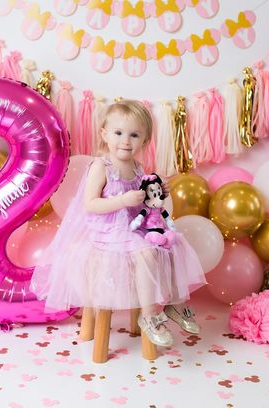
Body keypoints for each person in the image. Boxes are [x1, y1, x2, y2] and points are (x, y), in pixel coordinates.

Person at [30, 100, 205, 347]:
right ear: (105, 133)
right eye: (119, 133)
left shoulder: (138, 168)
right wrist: (122, 199)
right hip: (108, 231)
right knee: (146, 253)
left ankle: (175, 304)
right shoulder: (102, 166)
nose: (125, 141)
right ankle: (150, 316)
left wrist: (155, 192)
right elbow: (91, 204)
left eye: (134, 135)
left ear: (144, 141)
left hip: (134, 227)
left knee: (172, 242)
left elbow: (142, 205)